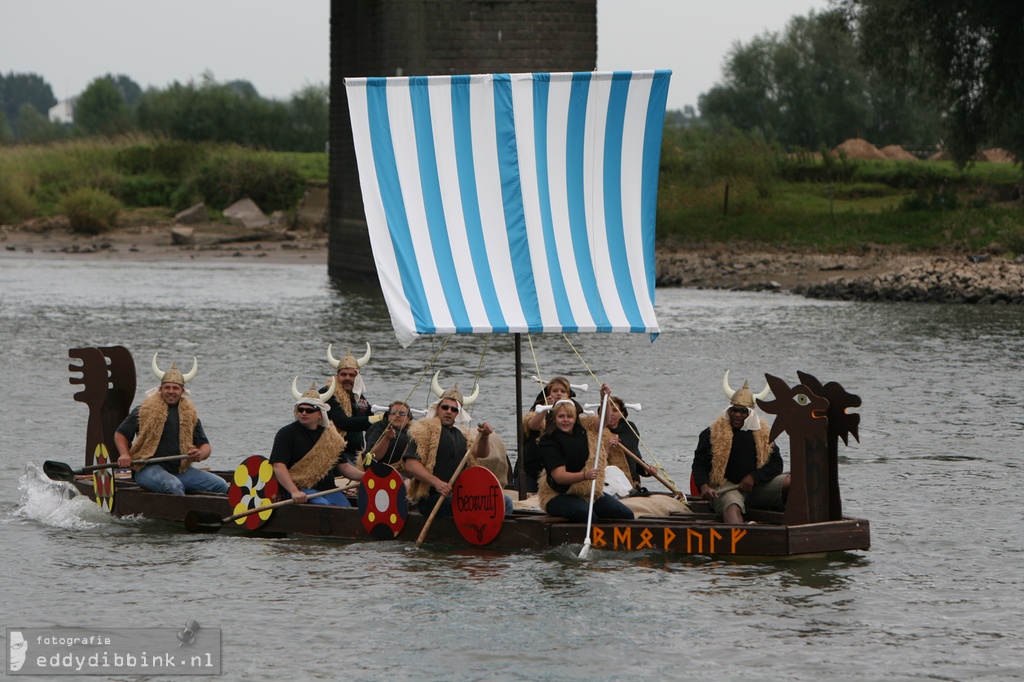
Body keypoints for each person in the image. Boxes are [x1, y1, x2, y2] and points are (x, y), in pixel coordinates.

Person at [114, 353, 229, 495]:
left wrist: (200, 454)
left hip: (179, 470)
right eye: (167, 387)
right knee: (174, 487)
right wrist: (124, 454)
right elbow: (121, 434)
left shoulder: (190, 414)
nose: (171, 392)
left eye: (175, 388)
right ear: (160, 389)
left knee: (221, 485)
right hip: (146, 468)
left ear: (182, 391)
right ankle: (184, 515)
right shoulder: (144, 409)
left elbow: (205, 446)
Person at [692, 374, 790, 524]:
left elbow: (776, 464)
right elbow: (699, 464)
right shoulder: (711, 434)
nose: (737, 415)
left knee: (794, 481)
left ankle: (795, 519)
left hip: (756, 487)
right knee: (732, 506)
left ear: (750, 414)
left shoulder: (764, 435)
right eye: (734, 410)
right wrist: (704, 486)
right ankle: (742, 535)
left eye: (743, 411)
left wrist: (753, 477)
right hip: (726, 487)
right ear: (729, 411)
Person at [402, 384, 513, 518]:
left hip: (459, 497)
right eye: (445, 407)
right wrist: (437, 483)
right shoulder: (423, 430)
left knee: (505, 502)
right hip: (431, 498)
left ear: (457, 413)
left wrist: (484, 437)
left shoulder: (461, 436)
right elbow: (411, 464)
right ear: (438, 409)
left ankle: (493, 532)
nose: (449, 411)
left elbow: (481, 453)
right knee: (474, 506)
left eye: (454, 409)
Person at [536, 385, 635, 523]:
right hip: (558, 495)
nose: (566, 420)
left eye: (569, 416)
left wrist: (604, 399)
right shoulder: (549, 441)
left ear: (575, 418)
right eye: (561, 416)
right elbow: (559, 477)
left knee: (625, 515)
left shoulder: (583, 428)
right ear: (554, 419)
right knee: (589, 516)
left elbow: (603, 422)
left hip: (588, 493)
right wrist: (585, 475)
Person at [270, 378, 359, 506]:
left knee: (347, 509)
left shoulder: (331, 436)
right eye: (301, 409)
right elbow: (279, 466)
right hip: (301, 489)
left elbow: (344, 467)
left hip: (328, 489)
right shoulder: (286, 433)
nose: (304, 413)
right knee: (323, 507)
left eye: (310, 410)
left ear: (320, 414)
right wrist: (294, 491)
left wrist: (366, 477)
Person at [514, 376, 573, 493]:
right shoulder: (538, 410)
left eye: (562, 391)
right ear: (549, 393)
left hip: (553, 470)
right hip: (530, 469)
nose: (558, 394)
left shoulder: (572, 416)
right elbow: (532, 425)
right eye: (555, 391)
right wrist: (546, 408)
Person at [324, 343, 374, 472]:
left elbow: (370, 422)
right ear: (337, 376)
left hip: (357, 453)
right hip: (335, 454)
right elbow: (343, 423)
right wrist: (379, 419)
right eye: (343, 374)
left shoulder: (359, 396)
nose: (347, 378)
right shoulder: (327, 394)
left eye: (352, 375)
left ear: (357, 377)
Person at [605, 396, 654, 488]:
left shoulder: (630, 429)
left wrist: (647, 470)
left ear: (622, 413)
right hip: (608, 482)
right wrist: (608, 446)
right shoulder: (597, 431)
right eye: (608, 410)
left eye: (615, 410)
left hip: (631, 482)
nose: (610, 414)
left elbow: (634, 458)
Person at [363, 400, 413, 468]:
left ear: (408, 418)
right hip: (378, 469)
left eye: (402, 414)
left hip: (404, 469)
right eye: (394, 413)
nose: (397, 415)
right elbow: (373, 457)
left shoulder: (413, 433)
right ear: (388, 416)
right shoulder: (378, 427)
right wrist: (386, 438)